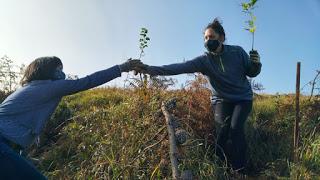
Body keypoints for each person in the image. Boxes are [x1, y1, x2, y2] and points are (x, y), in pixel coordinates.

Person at [133, 18, 262, 172]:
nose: (208, 41)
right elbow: (177, 68)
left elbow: (252, 72)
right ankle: (221, 167)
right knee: (222, 130)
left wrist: (256, 64)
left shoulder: (237, 52)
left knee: (235, 129)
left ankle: (241, 169)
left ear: (221, 38)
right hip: (221, 100)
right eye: (206, 38)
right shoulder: (204, 61)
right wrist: (148, 69)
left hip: (242, 98)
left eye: (211, 37)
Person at [0, 56, 142, 179]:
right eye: (58, 69)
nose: (62, 73)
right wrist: (122, 67)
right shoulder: (47, 87)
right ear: (47, 70)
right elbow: (88, 81)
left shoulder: (30, 88)